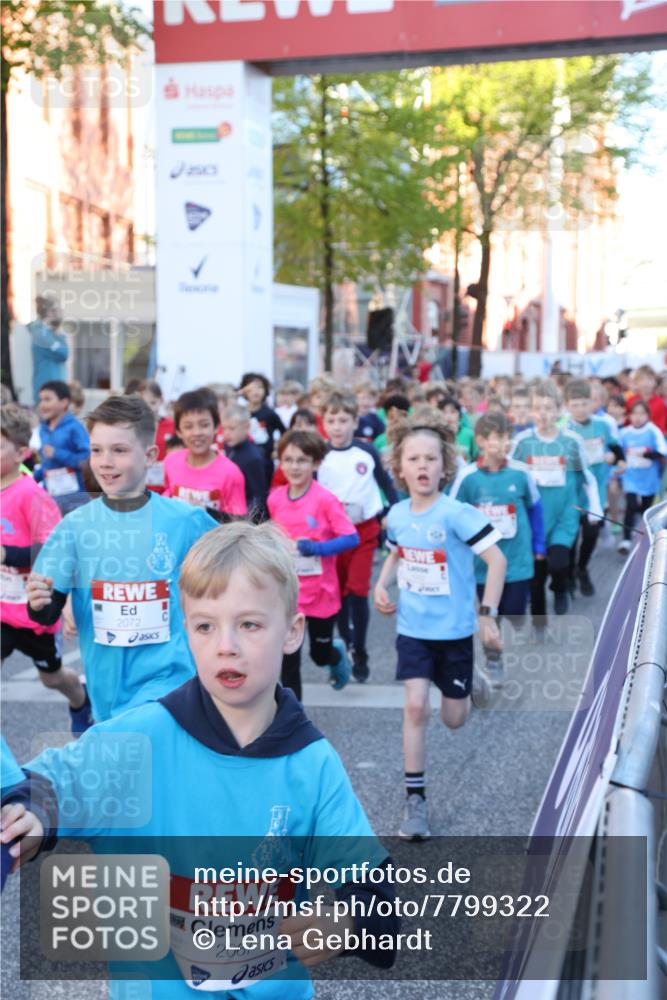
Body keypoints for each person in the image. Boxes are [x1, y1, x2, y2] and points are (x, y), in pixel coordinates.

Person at [4, 522, 398, 996]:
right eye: (205, 626)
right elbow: (45, 785)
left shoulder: (312, 764)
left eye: (249, 624)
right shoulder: (138, 741)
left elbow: (378, 897)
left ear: (292, 632)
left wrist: (347, 921)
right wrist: (33, 814)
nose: (225, 645)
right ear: (185, 630)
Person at [26, 395, 219, 724]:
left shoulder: (186, 521)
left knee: (159, 740)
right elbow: (45, 612)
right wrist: (40, 601)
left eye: (119, 450)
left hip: (173, 681)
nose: (105, 462)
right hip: (108, 689)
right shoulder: (74, 527)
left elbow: (231, 577)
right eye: (96, 450)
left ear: (150, 456)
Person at [374, 416, 506, 840]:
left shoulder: (456, 514)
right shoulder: (396, 515)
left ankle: (470, 682)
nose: (422, 465)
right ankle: (415, 801)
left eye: (430, 458)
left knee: (454, 719)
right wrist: (381, 584)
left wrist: (486, 615)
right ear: (400, 468)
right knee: (416, 707)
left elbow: (497, 560)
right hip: (412, 630)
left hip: (454, 632)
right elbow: (397, 552)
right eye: (413, 459)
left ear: (444, 466)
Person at [1, 404, 90, 734]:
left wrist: (7, 554)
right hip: (2, 610)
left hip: (33, 611)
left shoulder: (30, 494)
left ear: (21, 453)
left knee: (52, 678)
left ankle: (81, 700)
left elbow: (52, 551)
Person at [449, 412, 545, 685]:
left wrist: (539, 545)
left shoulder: (521, 472)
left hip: (517, 558)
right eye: (497, 438)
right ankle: (493, 660)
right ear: (480, 441)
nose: (504, 444)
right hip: (482, 563)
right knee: (490, 614)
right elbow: (452, 514)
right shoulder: (467, 477)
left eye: (507, 438)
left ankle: (506, 628)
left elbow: (535, 509)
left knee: (514, 609)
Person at [269, 430, 358, 699]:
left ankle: (335, 655)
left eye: (302, 460)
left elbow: (351, 537)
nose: (294, 467)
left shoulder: (325, 500)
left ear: (316, 463)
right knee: (288, 659)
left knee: (319, 655)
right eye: (288, 460)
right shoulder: (275, 498)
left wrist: (316, 548)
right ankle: (292, 715)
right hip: (288, 593)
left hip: (321, 594)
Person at [318, 392, 399, 682]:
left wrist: (393, 511)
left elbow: (385, 484)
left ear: (355, 422)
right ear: (324, 423)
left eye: (343, 420)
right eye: (331, 421)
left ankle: (361, 648)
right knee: (339, 593)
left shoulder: (366, 452)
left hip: (363, 530)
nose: (337, 427)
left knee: (358, 589)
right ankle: (348, 640)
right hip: (332, 534)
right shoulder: (320, 454)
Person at [511, 382, 593, 618]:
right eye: (538, 408)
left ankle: (560, 588)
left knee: (558, 563)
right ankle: (539, 623)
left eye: (548, 408)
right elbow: (510, 472)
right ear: (531, 411)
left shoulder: (572, 440)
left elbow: (586, 477)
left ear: (559, 410)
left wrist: (593, 507)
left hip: (564, 514)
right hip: (534, 517)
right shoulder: (522, 441)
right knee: (537, 573)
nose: (543, 414)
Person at [563, 379, 622, 594]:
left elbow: (616, 448)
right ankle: (569, 573)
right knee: (571, 536)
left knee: (590, 534)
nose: (580, 409)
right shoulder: (563, 428)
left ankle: (582, 568)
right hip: (571, 492)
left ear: (592, 403)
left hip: (595, 492)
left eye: (584, 404)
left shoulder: (602, 425)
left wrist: (615, 458)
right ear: (567, 406)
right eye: (575, 404)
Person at [163, 389, 247, 521]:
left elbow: (238, 522)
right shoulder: (171, 462)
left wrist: (206, 512)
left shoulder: (231, 473)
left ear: (216, 427)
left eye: (204, 425)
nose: (197, 433)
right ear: (179, 431)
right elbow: (168, 494)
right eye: (188, 426)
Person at [617, 399, 667, 554]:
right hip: (630, 477)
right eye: (635, 413)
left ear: (648, 415)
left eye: (642, 413)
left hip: (649, 479)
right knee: (630, 505)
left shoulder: (653, 431)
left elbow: (662, 452)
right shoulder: (624, 433)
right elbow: (618, 452)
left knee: (646, 509)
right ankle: (626, 540)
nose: (638, 417)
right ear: (629, 415)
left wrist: (645, 453)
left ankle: (645, 540)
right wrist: (619, 464)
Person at [33, 380, 90, 514]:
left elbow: (87, 459)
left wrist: (58, 454)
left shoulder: (75, 427)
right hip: (50, 496)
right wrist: (32, 479)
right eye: (41, 400)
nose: (42, 405)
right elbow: (47, 464)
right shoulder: (43, 429)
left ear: (64, 402)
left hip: (74, 498)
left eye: (47, 399)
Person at [221, 403, 269, 518]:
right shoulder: (229, 446)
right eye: (224, 428)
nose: (226, 433)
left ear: (246, 427)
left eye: (232, 428)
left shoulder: (253, 458)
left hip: (242, 516)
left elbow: (258, 497)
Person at [238, 372, 285, 482]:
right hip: (243, 460)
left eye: (260, 387)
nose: (256, 391)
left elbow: (285, 432)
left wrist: (278, 451)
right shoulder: (239, 413)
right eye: (252, 388)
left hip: (265, 462)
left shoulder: (270, 414)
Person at [27, 294, 68, 404]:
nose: (61, 313)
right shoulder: (40, 333)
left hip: (55, 394)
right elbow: (64, 353)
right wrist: (60, 337)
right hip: (47, 395)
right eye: (58, 310)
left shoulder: (49, 332)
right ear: (50, 312)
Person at [139, 379, 175, 493]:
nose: (149, 408)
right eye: (145, 404)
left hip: (166, 486)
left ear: (161, 401)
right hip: (140, 485)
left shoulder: (172, 425)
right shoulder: (133, 426)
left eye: (153, 403)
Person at [625, 365, 667, 434]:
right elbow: (627, 424)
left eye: (649, 379)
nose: (646, 382)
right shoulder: (630, 401)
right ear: (636, 382)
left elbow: (661, 428)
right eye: (642, 379)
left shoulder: (660, 403)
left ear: (655, 382)